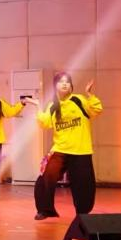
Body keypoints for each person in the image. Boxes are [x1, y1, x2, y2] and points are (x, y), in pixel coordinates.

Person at [34, 72, 102, 220]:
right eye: (61, 81)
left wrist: (90, 94)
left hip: (80, 149)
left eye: (67, 82)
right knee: (46, 176)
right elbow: (45, 123)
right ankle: (45, 210)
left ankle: (82, 213)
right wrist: (38, 106)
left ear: (71, 86)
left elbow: (96, 110)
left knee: (83, 184)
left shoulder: (79, 100)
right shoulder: (53, 106)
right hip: (60, 149)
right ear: (55, 86)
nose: (64, 84)